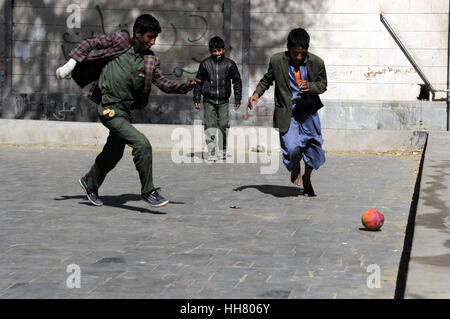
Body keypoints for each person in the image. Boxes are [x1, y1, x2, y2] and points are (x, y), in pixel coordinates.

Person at [56, 14, 200, 207]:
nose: (153, 41)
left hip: (125, 112)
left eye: (155, 37)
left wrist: (185, 86)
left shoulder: (151, 60)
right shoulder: (120, 41)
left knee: (114, 153)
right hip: (109, 108)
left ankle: (89, 182)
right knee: (142, 144)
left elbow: (164, 83)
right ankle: (148, 191)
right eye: (149, 36)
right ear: (137, 33)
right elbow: (90, 42)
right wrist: (71, 62)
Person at [247, 28, 327, 196]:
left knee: (314, 150)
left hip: (308, 114)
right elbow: (267, 80)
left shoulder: (317, 63)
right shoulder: (277, 61)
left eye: (302, 53)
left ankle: (307, 177)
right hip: (288, 114)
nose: (299, 57)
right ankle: (295, 167)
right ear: (288, 48)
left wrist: (311, 86)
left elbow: (323, 84)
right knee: (291, 149)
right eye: (295, 53)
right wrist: (256, 94)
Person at [193, 36, 242, 161]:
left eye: (219, 50)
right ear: (210, 51)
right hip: (208, 100)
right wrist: (196, 98)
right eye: (214, 51)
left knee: (223, 125)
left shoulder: (230, 64)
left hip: (224, 101)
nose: (217, 53)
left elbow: (237, 81)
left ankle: (223, 149)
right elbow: (198, 82)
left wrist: (237, 99)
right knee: (210, 125)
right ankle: (212, 151)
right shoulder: (205, 64)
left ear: (224, 49)